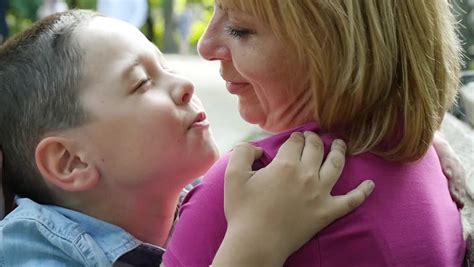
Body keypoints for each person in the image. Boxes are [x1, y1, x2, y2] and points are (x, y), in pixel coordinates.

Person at [0, 10, 374, 266]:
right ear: (71, 161)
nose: (184, 84)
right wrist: (255, 245)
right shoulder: (28, 249)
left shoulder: (196, 199)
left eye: (167, 67)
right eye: (142, 82)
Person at [164, 0, 466, 266]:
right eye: (214, 9)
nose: (205, 46)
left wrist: (250, 243)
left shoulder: (251, 190)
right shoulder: (418, 154)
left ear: (338, 48)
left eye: (240, 29)